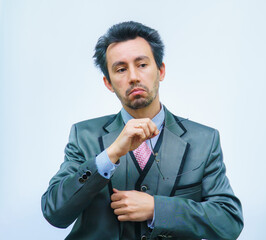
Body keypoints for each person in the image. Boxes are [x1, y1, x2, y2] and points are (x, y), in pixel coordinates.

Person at [41, 21, 244, 240]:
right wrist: (110, 155)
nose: (133, 77)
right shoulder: (84, 136)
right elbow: (55, 212)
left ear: (161, 70)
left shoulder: (204, 140)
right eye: (121, 69)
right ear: (108, 83)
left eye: (142, 65)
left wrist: (157, 209)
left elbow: (229, 221)